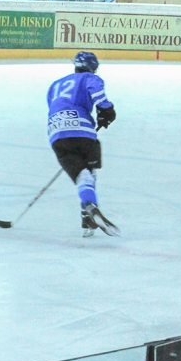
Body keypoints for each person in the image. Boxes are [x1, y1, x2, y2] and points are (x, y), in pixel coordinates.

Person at [46, 51, 119, 237]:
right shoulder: (89, 77)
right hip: (83, 130)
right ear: (92, 67)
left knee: (81, 175)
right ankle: (88, 213)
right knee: (90, 172)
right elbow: (98, 93)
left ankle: (88, 211)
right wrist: (107, 110)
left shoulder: (55, 84)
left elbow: (54, 107)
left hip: (56, 133)